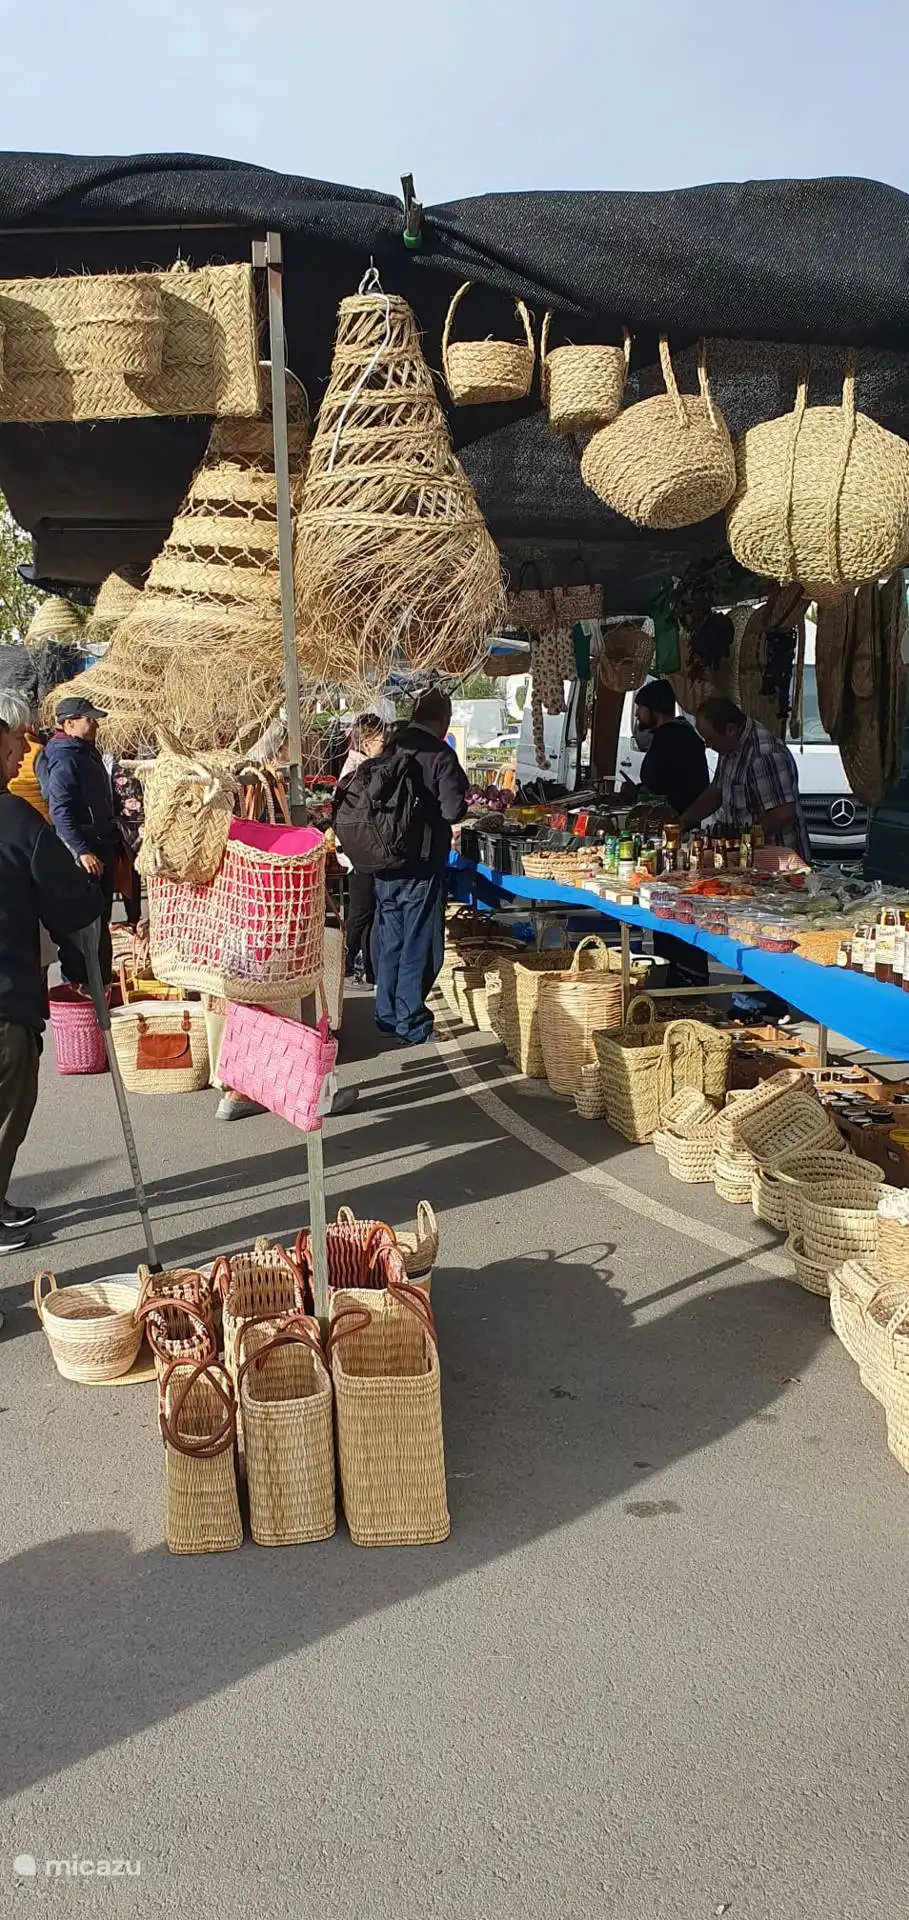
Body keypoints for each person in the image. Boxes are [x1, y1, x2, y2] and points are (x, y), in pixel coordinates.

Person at [0, 690, 103, 1260]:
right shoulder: (13, 817)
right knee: (6, 1112)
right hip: (4, 1000)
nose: (22, 755)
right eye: (13, 742)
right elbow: (67, 898)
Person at [333, 689, 468, 1045]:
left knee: (390, 938)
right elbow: (454, 810)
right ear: (443, 720)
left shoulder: (392, 745)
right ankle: (412, 1020)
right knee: (419, 945)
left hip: (383, 860)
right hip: (420, 865)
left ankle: (387, 1013)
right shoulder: (439, 755)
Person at [622, 679, 710, 989]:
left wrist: (639, 792)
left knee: (673, 903)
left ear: (652, 710)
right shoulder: (686, 737)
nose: (637, 718)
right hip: (684, 826)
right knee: (677, 904)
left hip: (675, 832)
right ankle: (682, 971)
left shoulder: (670, 739)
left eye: (640, 710)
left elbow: (658, 782)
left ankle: (683, 972)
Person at [43, 695, 121, 985]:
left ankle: (100, 984)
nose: (95, 724)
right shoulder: (65, 757)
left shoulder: (84, 751)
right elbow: (60, 810)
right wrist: (82, 849)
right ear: (69, 723)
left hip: (101, 844)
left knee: (100, 926)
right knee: (87, 930)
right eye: (89, 719)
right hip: (87, 853)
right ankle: (85, 989)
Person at [682, 696, 811, 862]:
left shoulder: (764, 754)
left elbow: (782, 812)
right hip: (748, 855)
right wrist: (684, 821)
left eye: (710, 739)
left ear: (730, 729)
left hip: (778, 860)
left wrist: (742, 843)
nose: (708, 745)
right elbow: (715, 792)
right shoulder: (729, 746)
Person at [335, 713, 387, 985]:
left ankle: (369, 967)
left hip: (358, 850)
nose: (384, 741)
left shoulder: (362, 766)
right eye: (380, 737)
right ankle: (344, 958)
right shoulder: (358, 770)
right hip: (360, 852)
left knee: (366, 912)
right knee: (361, 911)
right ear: (366, 740)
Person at [624, 678, 709, 815]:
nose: (637, 713)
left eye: (640, 707)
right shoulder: (673, 734)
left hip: (673, 821)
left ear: (653, 709)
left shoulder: (674, 738)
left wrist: (639, 793)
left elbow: (673, 787)